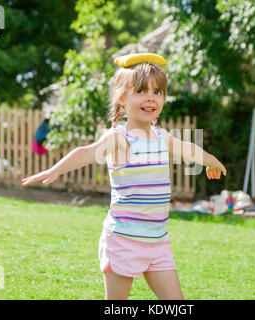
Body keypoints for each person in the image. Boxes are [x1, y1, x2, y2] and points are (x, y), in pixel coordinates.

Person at [21, 53, 227, 300]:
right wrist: (55, 169)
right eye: (141, 90)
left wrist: (210, 161)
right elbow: (85, 153)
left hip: (157, 242)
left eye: (158, 92)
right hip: (123, 241)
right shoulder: (119, 138)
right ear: (122, 99)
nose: (152, 97)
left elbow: (189, 148)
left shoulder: (162, 137)